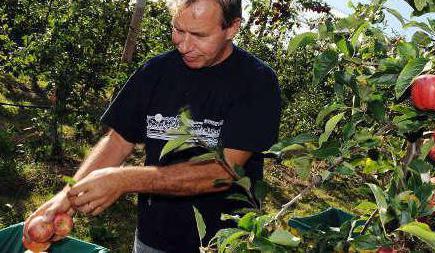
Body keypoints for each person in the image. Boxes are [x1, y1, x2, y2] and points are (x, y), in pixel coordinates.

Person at [24, 0, 281, 252]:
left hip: (223, 243)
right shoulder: (156, 71)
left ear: (232, 28)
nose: (184, 45)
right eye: (178, 30)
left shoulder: (256, 82)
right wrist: (66, 198)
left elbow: (222, 172)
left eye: (199, 35)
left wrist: (125, 179)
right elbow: (118, 140)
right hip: (152, 239)